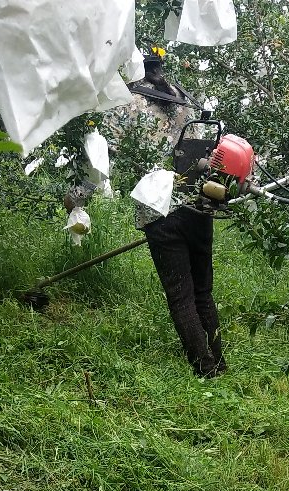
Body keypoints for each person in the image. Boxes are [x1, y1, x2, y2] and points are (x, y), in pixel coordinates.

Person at [111, 47, 228, 377]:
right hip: (198, 200)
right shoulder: (182, 98)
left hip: (158, 208)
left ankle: (205, 370)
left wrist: (77, 198)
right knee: (202, 292)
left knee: (181, 295)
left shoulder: (126, 103)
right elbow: (204, 151)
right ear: (160, 67)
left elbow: (100, 158)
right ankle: (218, 363)